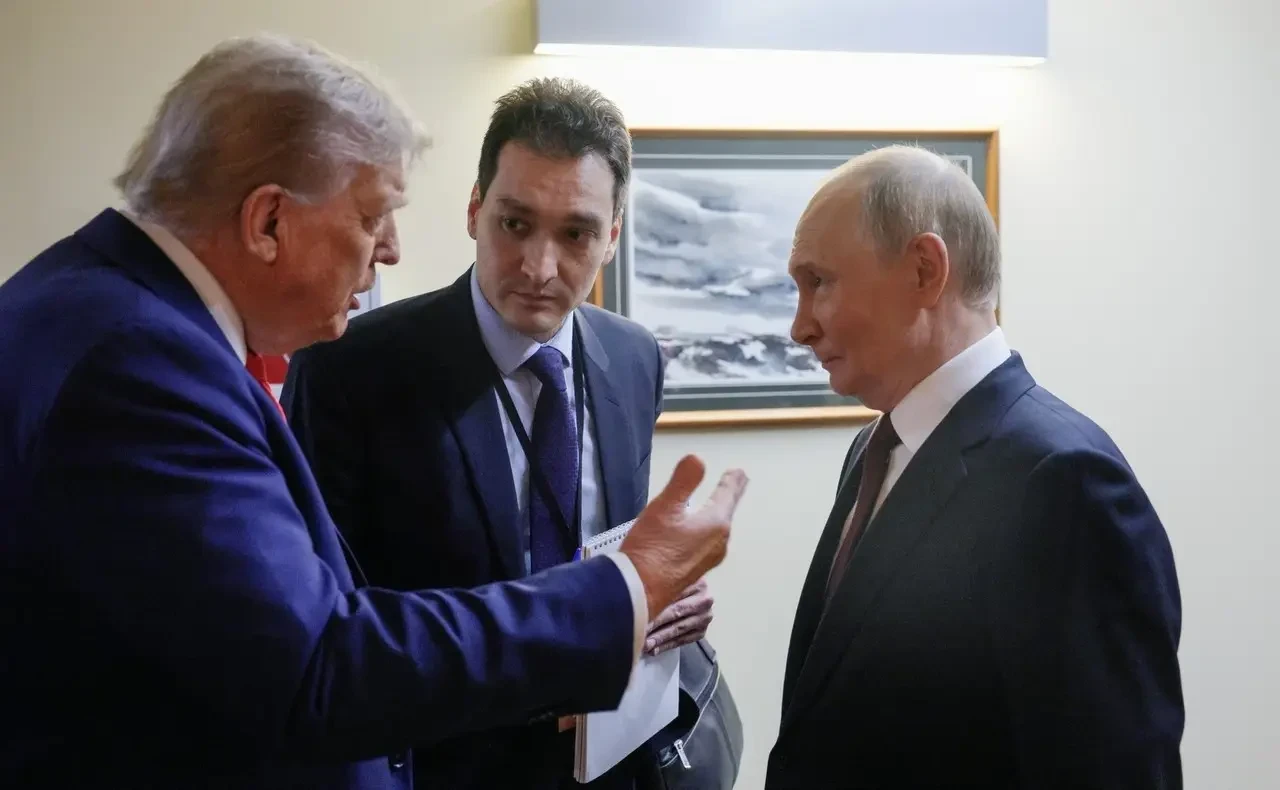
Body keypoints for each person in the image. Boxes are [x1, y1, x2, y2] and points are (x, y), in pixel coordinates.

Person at [0, 34, 748, 790]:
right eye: (370, 216)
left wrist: (646, 597)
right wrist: (621, 593)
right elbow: (318, 663)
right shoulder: (141, 365)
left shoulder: (94, 310)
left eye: (577, 231)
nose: (389, 250)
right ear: (268, 221)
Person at [280, 77, 713, 790]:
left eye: (575, 234)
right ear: (475, 210)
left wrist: (665, 593)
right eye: (515, 224)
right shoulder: (349, 370)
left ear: (612, 236)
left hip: (610, 760)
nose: (540, 268)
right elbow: (332, 623)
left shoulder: (635, 357)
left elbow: (613, 544)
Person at [766, 145, 1183, 789]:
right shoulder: (876, 446)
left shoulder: (1065, 482)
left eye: (819, 282)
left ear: (925, 270)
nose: (800, 327)